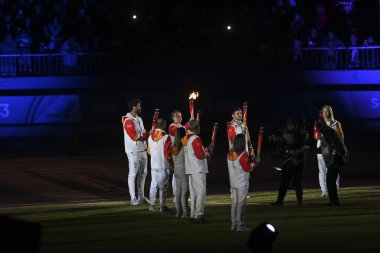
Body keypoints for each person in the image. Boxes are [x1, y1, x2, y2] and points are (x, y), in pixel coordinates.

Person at [272, 117, 308, 206]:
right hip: (301, 161)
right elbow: (305, 147)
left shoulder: (287, 135)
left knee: (284, 181)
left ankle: (280, 201)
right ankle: (299, 201)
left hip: (290, 160)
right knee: (298, 181)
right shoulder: (304, 133)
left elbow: (279, 147)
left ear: (288, 125)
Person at [184, 120, 214, 223]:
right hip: (198, 169)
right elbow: (200, 154)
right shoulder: (196, 138)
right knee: (200, 192)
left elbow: (197, 151)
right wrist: (208, 153)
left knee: (194, 193)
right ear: (196, 128)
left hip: (191, 168)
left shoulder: (186, 138)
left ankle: (193, 214)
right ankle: (198, 215)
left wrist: (206, 149)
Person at [314, 105, 346, 198]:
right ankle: (324, 190)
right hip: (322, 149)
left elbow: (342, 136)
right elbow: (315, 134)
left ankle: (335, 189)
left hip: (334, 149)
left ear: (330, 112)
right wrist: (319, 135)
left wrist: (339, 144)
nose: (325, 113)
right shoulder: (318, 122)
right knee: (322, 170)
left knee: (333, 169)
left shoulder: (336, 123)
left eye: (327, 111)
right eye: (323, 111)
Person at [122, 98, 149, 205]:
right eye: (138, 106)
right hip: (133, 151)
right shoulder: (128, 120)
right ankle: (133, 198)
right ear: (133, 107)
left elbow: (142, 134)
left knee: (143, 174)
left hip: (142, 149)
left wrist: (144, 135)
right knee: (133, 174)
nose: (140, 107)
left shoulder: (139, 119)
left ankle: (141, 197)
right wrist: (145, 134)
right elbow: (135, 136)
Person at [228, 134, 256, 232]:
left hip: (233, 182)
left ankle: (233, 224)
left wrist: (251, 160)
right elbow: (248, 168)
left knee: (234, 203)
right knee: (241, 203)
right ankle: (240, 225)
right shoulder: (243, 154)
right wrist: (254, 163)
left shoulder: (230, 154)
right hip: (242, 182)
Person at [147, 118, 173, 212]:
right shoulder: (166, 137)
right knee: (163, 187)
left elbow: (149, 151)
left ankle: (152, 205)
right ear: (164, 124)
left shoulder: (150, 137)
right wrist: (171, 163)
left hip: (154, 165)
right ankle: (162, 206)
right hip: (164, 166)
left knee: (153, 185)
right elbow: (167, 154)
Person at [169, 110, 192, 203]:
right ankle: (175, 195)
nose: (180, 118)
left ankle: (183, 194)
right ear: (173, 118)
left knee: (182, 175)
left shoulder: (181, 126)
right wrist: (189, 123)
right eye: (178, 116)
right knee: (176, 176)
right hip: (176, 153)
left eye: (181, 116)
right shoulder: (172, 127)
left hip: (183, 152)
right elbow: (178, 131)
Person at [172, 127, 189, 218]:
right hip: (183, 170)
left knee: (178, 191)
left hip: (176, 171)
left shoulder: (174, 145)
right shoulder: (184, 145)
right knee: (184, 192)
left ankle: (178, 211)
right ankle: (185, 212)